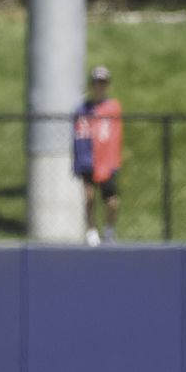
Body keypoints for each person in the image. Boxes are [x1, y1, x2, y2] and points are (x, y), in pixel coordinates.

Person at [72, 65, 123, 246]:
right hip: (88, 158)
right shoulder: (82, 109)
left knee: (112, 200)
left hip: (106, 161)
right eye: (96, 83)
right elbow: (79, 134)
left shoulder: (112, 108)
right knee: (89, 196)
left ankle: (109, 230)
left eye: (102, 83)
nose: (99, 86)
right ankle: (91, 231)